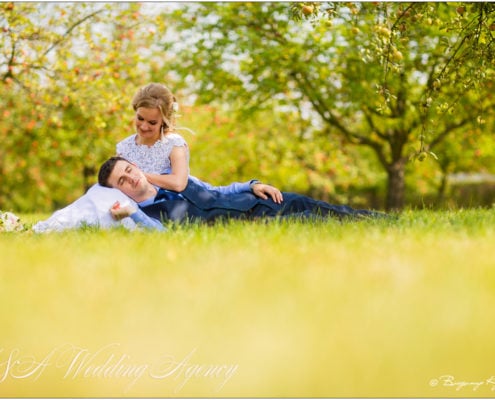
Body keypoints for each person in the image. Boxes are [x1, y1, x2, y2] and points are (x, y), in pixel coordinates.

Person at [98, 156, 385, 229]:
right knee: (314, 220)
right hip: (251, 223)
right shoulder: (146, 215)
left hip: (256, 201)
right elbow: (159, 234)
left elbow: (214, 190)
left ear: (135, 166)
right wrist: (132, 214)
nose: (130, 178)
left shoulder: (174, 180)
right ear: (120, 191)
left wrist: (252, 185)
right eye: (122, 180)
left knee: (326, 208)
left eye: (128, 170)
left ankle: (387, 223)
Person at [116, 82, 282, 203]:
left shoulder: (173, 144)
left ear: (164, 122)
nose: (144, 126)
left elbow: (180, 184)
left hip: (189, 204)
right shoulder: (123, 148)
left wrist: (141, 175)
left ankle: (252, 187)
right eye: (140, 118)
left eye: (152, 123)